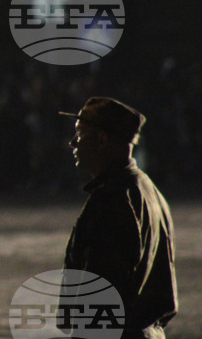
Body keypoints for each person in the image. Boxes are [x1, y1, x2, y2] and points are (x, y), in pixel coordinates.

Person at [61, 97, 178, 338]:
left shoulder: (111, 200)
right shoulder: (149, 190)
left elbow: (101, 298)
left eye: (80, 134)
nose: (73, 142)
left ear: (101, 140)